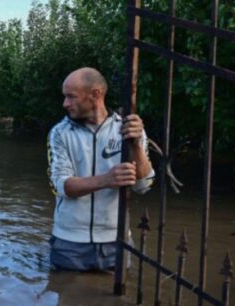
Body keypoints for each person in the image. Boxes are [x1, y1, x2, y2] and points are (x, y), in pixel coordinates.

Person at [47, 67, 154, 271]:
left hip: (117, 241)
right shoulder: (59, 133)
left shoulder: (128, 128)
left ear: (95, 94)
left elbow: (144, 185)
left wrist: (135, 145)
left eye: (71, 97)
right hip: (69, 244)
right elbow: (60, 185)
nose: (65, 104)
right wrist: (106, 179)